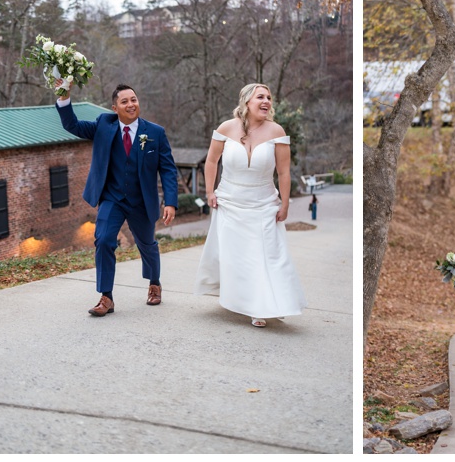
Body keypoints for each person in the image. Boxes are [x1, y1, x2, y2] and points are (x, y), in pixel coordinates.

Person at [56, 82, 178, 316]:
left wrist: (170, 201)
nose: (131, 104)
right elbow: (72, 125)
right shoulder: (104, 124)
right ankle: (106, 297)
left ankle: (154, 282)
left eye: (134, 99)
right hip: (112, 198)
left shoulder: (155, 132)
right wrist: (64, 97)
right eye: (125, 101)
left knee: (147, 244)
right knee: (103, 241)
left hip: (142, 200)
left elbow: (168, 169)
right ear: (115, 107)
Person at [194, 83, 306, 328]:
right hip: (230, 203)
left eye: (269, 98)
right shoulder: (226, 128)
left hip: (263, 203)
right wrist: (210, 191)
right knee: (238, 257)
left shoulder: (277, 131)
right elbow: (211, 161)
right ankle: (241, 299)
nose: (266, 101)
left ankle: (261, 306)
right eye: (260, 97)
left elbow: (284, 173)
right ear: (246, 101)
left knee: (264, 256)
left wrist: (284, 204)